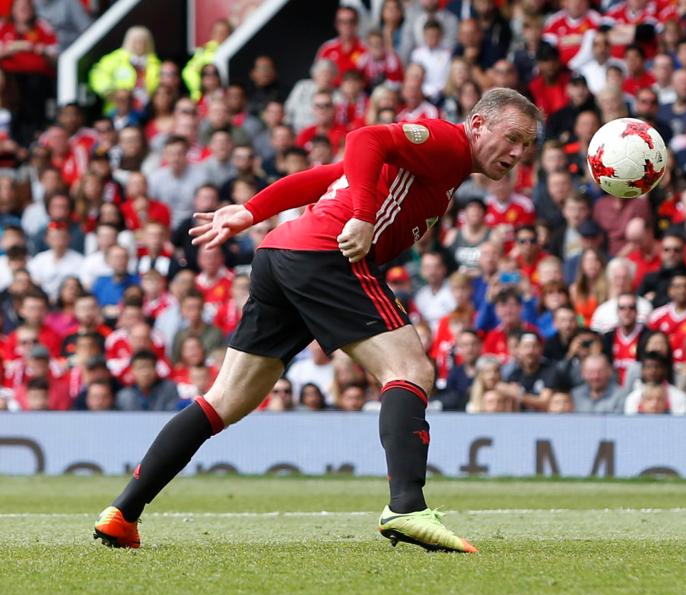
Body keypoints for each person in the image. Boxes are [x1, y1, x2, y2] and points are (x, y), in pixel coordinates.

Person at [94, 87, 541, 554]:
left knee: (225, 399)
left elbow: (328, 176)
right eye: (511, 137)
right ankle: (406, 507)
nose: (517, 153)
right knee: (410, 369)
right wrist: (364, 217)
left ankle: (123, 514)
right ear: (477, 126)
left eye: (525, 146)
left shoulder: (444, 167)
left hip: (281, 253)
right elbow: (365, 138)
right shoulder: (446, 142)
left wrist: (250, 212)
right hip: (326, 255)